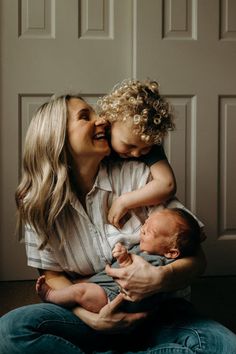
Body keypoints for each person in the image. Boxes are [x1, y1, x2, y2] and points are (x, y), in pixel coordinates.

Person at [0, 94, 236, 354]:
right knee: (11, 330)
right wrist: (93, 319)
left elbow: (196, 259)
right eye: (85, 116)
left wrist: (161, 278)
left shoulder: (138, 176)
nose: (101, 120)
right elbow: (53, 276)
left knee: (223, 345)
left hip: (157, 313)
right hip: (89, 317)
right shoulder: (38, 205)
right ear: (56, 136)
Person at [36, 207, 202, 313]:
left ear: (171, 253)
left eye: (150, 231)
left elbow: (130, 273)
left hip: (113, 298)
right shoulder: (145, 248)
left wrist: (123, 257)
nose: (142, 229)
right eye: (145, 223)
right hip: (107, 287)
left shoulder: (157, 262)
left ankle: (51, 296)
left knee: (80, 292)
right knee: (81, 284)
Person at [97, 79, 177, 228]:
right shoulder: (98, 138)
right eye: (129, 145)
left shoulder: (147, 143)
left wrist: (125, 201)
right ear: (109, 123)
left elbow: (167, 184)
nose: (136, 153)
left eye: (145, 148)